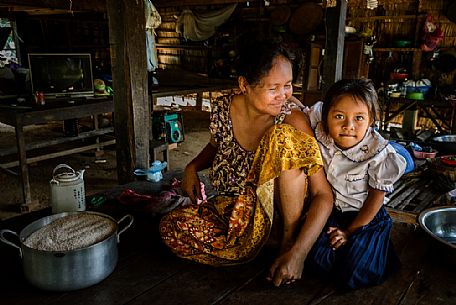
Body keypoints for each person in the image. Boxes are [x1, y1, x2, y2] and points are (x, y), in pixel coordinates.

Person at [159, 41, 333, 287]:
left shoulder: (292, 120)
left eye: (288, 85)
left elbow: (323, 194)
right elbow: (218, 145)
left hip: (282, 219)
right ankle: (253, 243)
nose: (284, 95)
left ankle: (285, 245)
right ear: (244, 85)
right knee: (171, 227)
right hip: (237, 212)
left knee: (280, 137)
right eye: (274, 88)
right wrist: (192, 167)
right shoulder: (223, 108)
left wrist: (298, 254)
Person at [304, 79, 407, 289]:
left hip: (366, 217)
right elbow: (298, 109)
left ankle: (377, 249)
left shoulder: (378, 153)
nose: (348, 126)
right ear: (326, 116)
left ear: (371, 121)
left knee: (357, 271)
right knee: (316, 260)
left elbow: (376, 198)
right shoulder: (320, 127)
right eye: (339, 116)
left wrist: (349, 232)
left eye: (359, 118)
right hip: (333, 213)